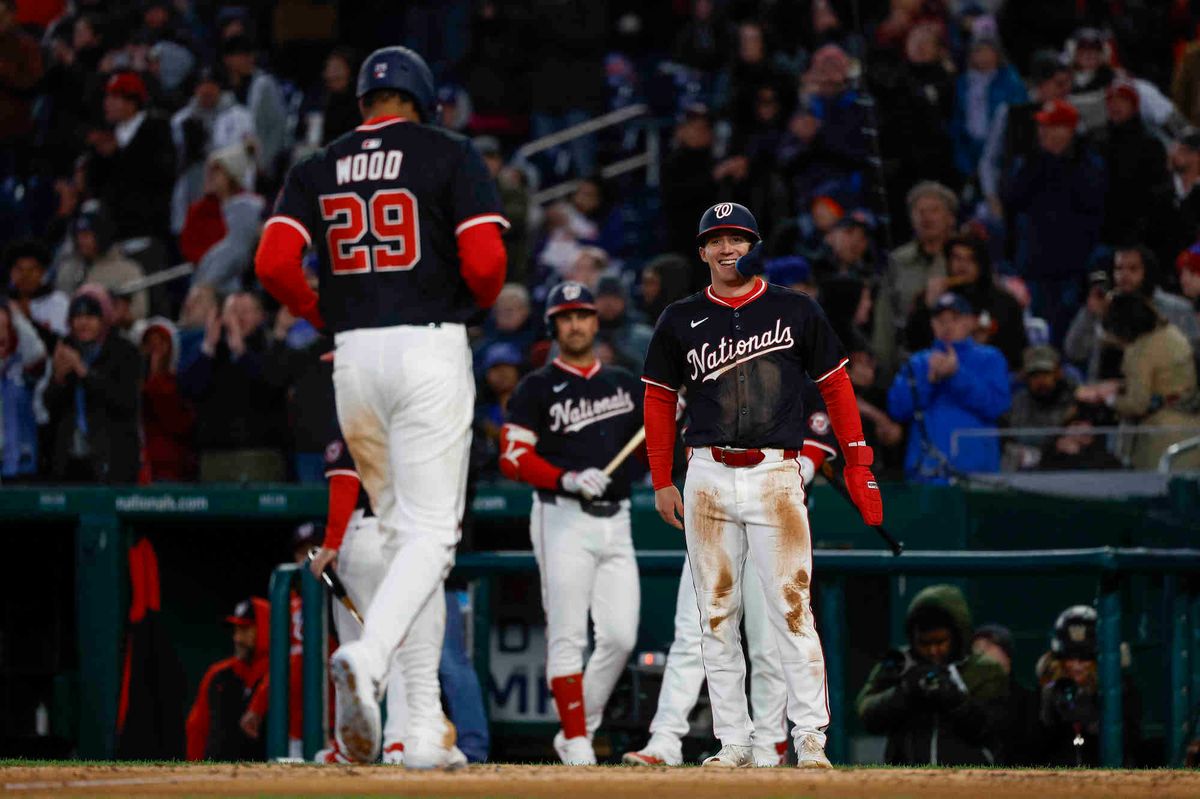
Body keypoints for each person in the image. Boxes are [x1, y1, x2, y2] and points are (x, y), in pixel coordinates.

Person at [254, 45, 508, 767]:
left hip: (354, 358)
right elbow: (487, 265)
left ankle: (422, 725)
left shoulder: (318, 164)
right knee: (433, 535)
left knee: (404, 540)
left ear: (363, 99)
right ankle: (368, 659)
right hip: (427, 344)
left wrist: (320, 313)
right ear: (421, 99)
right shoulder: (447, 152)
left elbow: (273, 264)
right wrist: (468, 304)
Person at [641, 202, 883, 768]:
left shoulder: (795, 309)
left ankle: (810, 740)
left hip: (777, 471)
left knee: (792, 609)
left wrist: (858, 461)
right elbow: (656, 398)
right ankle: (734, 742)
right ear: (702, 251)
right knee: (716, 616)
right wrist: (661, 477)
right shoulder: (679, 318)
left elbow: (838, 386)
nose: (728, 249)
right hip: (705, 472)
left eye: (739, 239)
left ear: (754, 247)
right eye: (717, 240)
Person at [623, 379, 840, 768]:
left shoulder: (794, 363)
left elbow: (814, 450)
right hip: (713, 500)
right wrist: (675, 408)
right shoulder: (705, 365)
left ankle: (770, 744)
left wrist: (781, 472)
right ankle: (665, 739)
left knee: (769, 640)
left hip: (771, 505)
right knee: (694, 631)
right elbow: (650, 447)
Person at [497, 281, 642, 764]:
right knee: (567, 635)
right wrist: (566, 478)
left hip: (616, 520)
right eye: (566, 317)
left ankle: (578, 724)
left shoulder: (623, 383)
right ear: (554, 326)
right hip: (561, 519)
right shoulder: (536, 387)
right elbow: (513, 458)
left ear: (596, 321)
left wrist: (674, 415)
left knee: (621, 636)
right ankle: (578, 741)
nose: (576, 324)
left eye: (583, 315)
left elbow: (654, 443)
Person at [856, 584, 1009, 766]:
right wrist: (904, 693)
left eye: (940, 642)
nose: (933, 651)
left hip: (969, 780)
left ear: (957, 635)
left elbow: (994, 726)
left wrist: (955, 699)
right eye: (924, 643)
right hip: (907, 779)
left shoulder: (984, 669)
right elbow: (866, 714)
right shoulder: (900, 665)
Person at [1002, 98, 1106, 342]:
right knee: (1038, 329)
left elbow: (1091, 203)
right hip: (1036, 263)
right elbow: (1012, 197)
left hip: (1073, 266)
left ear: (1068, 130)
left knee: (1069, 330)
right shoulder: (1029, 161)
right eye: (1042, 126)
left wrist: (1062, 163)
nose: (1043, 132)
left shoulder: (1088, 163)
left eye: (1051, 126)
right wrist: (1042, 162)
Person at [887, 292, 1011, 483]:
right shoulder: (918, 363)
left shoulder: (990, 358)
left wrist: (956, 375)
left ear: (971, 322)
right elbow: (897, 409)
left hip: (977, 473)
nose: (947, 325)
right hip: (926, 474)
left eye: (955, 318)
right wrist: (929, 381)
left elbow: (997, 405)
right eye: (940, 320)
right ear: (932, 325)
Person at [1077, 293, 1200, 470]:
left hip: (1162, 437)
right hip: (1192, 431)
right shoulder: (1171, 333)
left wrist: (1108, 398)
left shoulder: (1139, 351)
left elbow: (1137, 404)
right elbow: (1164, 380)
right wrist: (1121, 385)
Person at [43, 285, 141, 483]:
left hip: (112, 460)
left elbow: (125, 402)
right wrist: (59, 378)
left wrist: (83, 371)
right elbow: (50, 407)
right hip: (70, 460)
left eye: (91, 317)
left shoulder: (125, 351)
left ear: (104, 319)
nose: (83, 323)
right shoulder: (66, 348)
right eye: (77, 317)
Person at [1032, 605, 1141, 767]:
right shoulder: (1049, 689)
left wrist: (1094, 722)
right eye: (1069, 657)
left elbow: (1132, 743)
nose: (1076, 665)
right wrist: (1050, 718)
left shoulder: (1121, 689)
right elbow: (1031, 750)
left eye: (1085, 658)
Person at [872, 181, 958, 382]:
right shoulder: (898, 262)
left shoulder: (963, 258)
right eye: (920, 211)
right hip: (910, 365)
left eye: (934, 210)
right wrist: (883, 368)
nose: (926, 217)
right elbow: (884, 319)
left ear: (950, 218)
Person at [905, 235, 1027, 370]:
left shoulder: (1005, 303)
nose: (962, 266)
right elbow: (914, 344)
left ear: (982, 264)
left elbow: (1017, 352)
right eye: (956, 258)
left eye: (971, 259)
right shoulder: (935, 297)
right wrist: (927, 307)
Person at [185, 598, 270, 760]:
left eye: (245, 630)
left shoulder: (280, 676)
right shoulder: (218, 674)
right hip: (217, 778)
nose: (237, 638)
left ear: (265, 629)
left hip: (266, 779)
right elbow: (197, 728)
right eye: (236, 630)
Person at [191, 143, 264, 293]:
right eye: (210, 172)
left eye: (217, 173)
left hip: (237, 284)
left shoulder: (247, 206)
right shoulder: (202, 207)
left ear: (231, 176)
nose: (211, 177)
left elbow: (238, 251)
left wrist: (208, 282)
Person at [136, 316, 195, 482]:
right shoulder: (133, 384)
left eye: (161, 344)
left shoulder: (178, 384)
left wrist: (156, 381)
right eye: (150, 344)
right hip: (140, 471)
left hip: (171, 472)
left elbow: (178, 423)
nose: (155, 350)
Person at [971, 623, 1038, 766]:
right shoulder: (963, 702)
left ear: (1008, 657)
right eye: (977, 649)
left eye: (989, 647)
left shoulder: (1029, 701)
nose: (982, 653)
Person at [0, 302, 45, 480]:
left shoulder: (25, 363)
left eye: (4, 328)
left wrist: (18, 319)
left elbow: (37, 353)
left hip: (22, 464)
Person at [4, 239, 68, 351]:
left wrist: (27, 320)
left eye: (31, 270)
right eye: (19, 269)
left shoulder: (59, 302)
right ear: (11, 273)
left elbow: (60, 345)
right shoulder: (4, 304)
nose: (25, 276)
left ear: (42, 272)